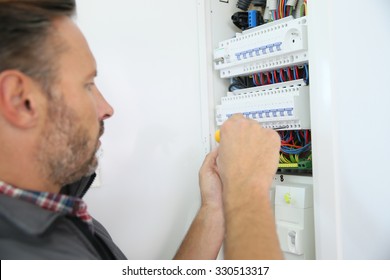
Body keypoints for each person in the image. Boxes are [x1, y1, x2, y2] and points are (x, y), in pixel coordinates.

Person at [0, 0, 282, 260]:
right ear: (20, 100)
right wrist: (247, 188)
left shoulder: (54, 212)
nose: (107, 108)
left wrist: (216, 207)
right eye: (87, 85)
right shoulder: (23, 252)